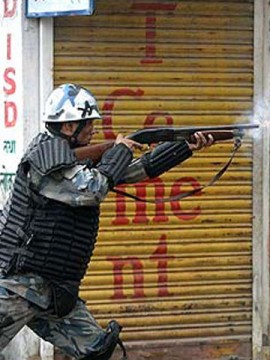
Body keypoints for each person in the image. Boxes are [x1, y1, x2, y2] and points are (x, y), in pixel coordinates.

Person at [0, 84, 214, 359]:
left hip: (54, 291)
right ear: (68, 127)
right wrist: (121, 149)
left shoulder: (72, 159)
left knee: (98, 352)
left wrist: (184, 147)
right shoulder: (46, 161)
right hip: (18, 286)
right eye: (89, 123)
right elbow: (92, 190)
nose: (94, 129)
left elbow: (133, 171)